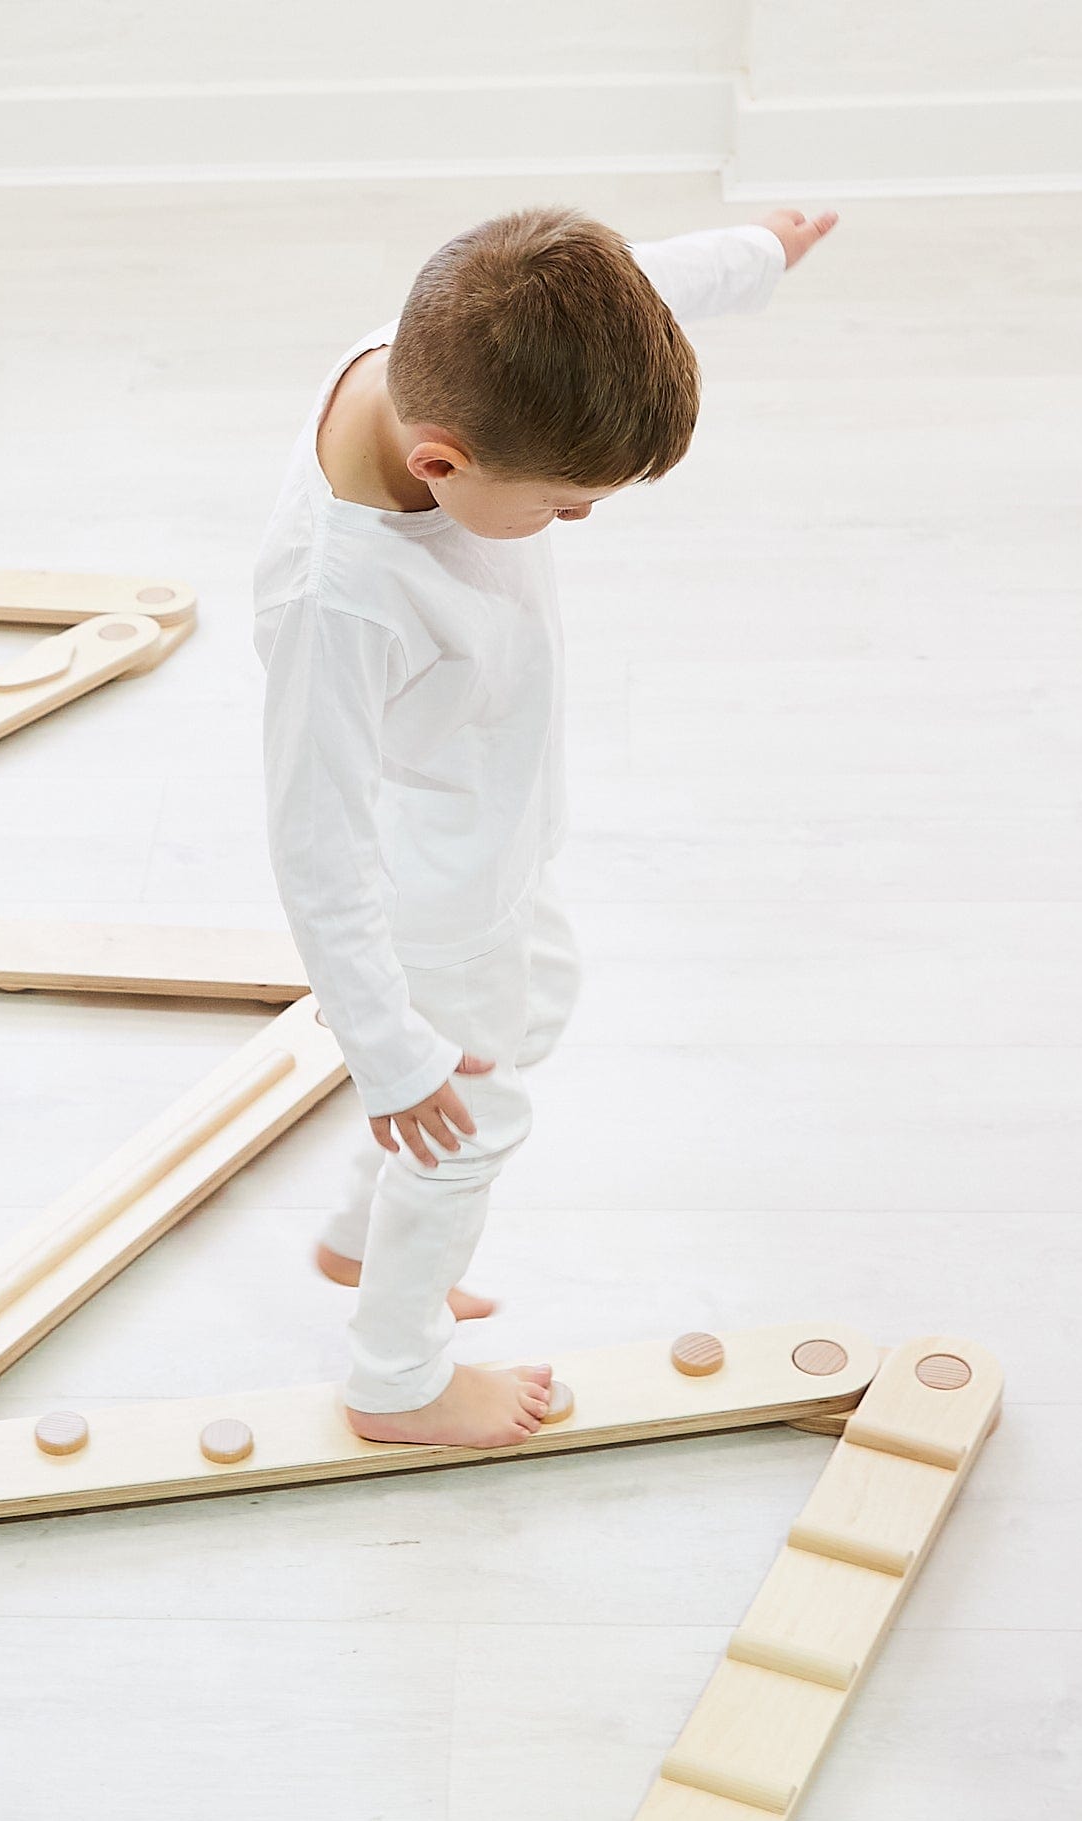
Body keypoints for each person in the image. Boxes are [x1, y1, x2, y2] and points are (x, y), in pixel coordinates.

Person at [254, 202, 836, 1448]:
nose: (576, 525)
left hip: (495, 819)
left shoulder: (429, 352)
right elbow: (316, 845)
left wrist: (753, 254)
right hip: (433, 887)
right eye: (564, 506)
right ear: (443, 464)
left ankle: (369, 1238)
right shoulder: (339, 603)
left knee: (542, 1007)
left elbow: (616, 286)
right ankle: (397, 1379)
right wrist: (387, 1047)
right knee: (473, 1117)